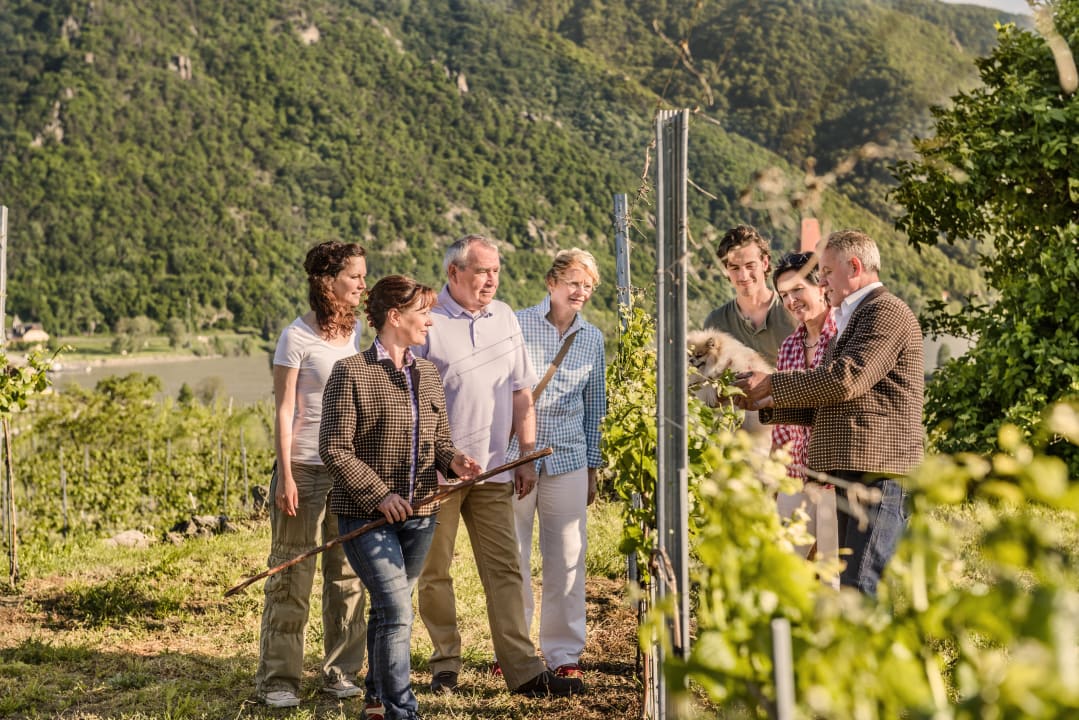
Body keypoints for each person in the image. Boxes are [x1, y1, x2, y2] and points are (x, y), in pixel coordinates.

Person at [415, 234, 584, 698]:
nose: (490, 279)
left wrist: (525, 455)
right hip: (438, 475)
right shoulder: (427, 321)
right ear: (454, 273)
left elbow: (520, 393)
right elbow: (409, 402)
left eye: (496, 271)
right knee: (436, 572)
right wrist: (435, 458)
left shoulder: (505, 317)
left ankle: (523, 670)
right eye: (481, 270)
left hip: (493, 471)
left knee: (506, 569)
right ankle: (445, 665)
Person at [320, 275, 482, 720]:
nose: (430, 321)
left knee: (390, 609)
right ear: (395, 317)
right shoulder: (351, 373)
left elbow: (440, 441)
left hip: (422, 514)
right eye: (423, 313)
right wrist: (380, 495)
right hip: (363, 515)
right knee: (395, 609)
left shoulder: (426, 373)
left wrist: (456, 463)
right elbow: (334, 448)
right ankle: (400, 710)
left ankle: (375, 697)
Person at [735, 230, 924, 596]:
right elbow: (831, 403)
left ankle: (868, 654)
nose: (822, 282)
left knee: (861, 585)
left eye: (825, 273)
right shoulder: (855, 317)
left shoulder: (885, 311)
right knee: (851, 585)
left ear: (854, 266)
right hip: (851, 470)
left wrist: (772, 385)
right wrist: (762, 401)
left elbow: (845, 381)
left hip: (879, 471)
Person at [256, 241, 369, 708]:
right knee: (291, 574)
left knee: (346, 576)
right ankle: (279, 680)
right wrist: (285, 475)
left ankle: (340, 672)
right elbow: (284, 410)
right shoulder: (295, 337)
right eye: (355, 276)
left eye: (363, 276)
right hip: (303, 466)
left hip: (348, 470)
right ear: (329, 282)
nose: (363, 284)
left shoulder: (356, 331)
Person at [509, 249, 606, 680]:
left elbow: (595, 406)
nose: (580, 290)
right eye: (572, 281)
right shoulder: (517, 323)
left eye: (587, 284)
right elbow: (504, 392)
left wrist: (592, 467)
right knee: (512, 555)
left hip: (568, 455)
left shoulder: (592, 338)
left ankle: (564, 654)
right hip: (514, 456)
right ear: (551, 282)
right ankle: (512, 650)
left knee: (567, 556)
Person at [770, 252, 839, 571]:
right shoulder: (789, 347)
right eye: (784, 295)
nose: (791, 300)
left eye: (798, 290)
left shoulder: (843, 336)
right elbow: (783, 423)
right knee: (785, 571)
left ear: (821, 287)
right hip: (795, 478)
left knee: (832, 574)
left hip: (833, 478)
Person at [704, 224, 797, 366]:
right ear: (725, 270)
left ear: (765, 263)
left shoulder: (793, 312)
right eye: (734, 267)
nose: (743, 275)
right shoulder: (716, 323)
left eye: (750, 266)